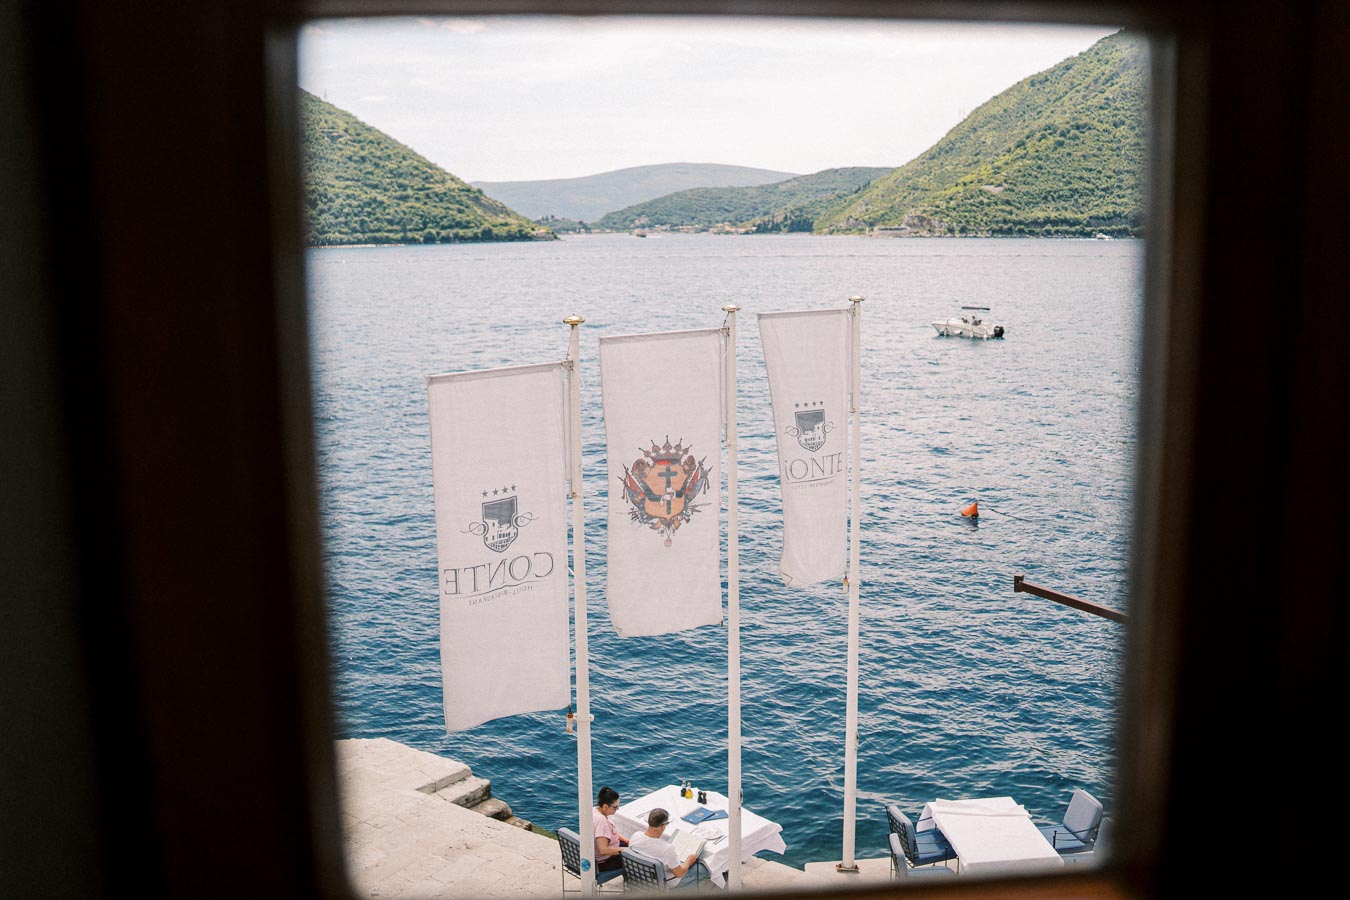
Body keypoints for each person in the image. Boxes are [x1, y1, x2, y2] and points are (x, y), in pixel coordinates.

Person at [628, 807, 711, 889]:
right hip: (665, 884)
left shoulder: (636, 836)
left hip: (640, 877)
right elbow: (679, 874)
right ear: (662, 826)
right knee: (703, 869)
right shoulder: (667, 849)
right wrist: (689, 861)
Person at [593, 786, 629, 873]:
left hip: (609, 850)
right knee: (638, 856)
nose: (616, 810)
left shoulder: (594, 810)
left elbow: (612, 832)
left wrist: (626, 840)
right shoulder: (601, 821)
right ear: (605, 806)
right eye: (615, 808)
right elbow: (603, 850)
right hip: (605, 862)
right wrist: (625, 850)